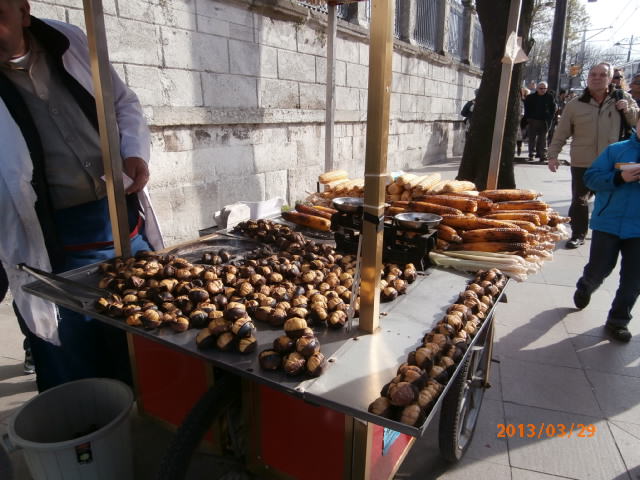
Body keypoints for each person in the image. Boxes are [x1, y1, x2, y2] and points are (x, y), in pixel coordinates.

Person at [0, 0, 163, 392]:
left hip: (121, 220)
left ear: (23, 13)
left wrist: (134, 151)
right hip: (55, 240)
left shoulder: (70, 42)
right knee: (77, 356)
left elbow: (122, 103)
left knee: (144, 335)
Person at [547, 62, 638, 249]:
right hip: (583, 160)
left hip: (613, 161)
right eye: (593, 74)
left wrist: (627, 110)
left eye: (602, 75)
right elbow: (561, 132)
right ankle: (578, 234)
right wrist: (553, 155)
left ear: (610, 78)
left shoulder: (624, 99)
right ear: (588, 78)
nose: (597, 78)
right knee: (579, 200)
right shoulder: (575, 105)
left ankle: (606, 235)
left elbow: (637, 122)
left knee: (610, 199)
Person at [573, 116, 640, 342]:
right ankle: (585, 286)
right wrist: (620, 177)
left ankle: (618, 321)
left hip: (638, 229)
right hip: (608, 222)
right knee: (599, 269)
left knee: (634, 279)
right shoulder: (616, 150)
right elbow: (591, 178)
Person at [523, 81, 556, 162]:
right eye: (541, 88)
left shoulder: (549, 97)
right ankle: (531, 154)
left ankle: (542, 155)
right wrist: (528, 118)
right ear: (537, 88)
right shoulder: (530, 97)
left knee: (543, 139)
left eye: (545, 88)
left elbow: (553, 108)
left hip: (544, 121)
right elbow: (526, 108)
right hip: (533, 120)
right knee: (532, 139)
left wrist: (550, 117)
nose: (543, 90)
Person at [516, 87, 529, 156]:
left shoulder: (523, 101)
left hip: (519, 121)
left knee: (519, 136)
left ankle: (519, 147)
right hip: (517, 120)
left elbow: (523, 112)